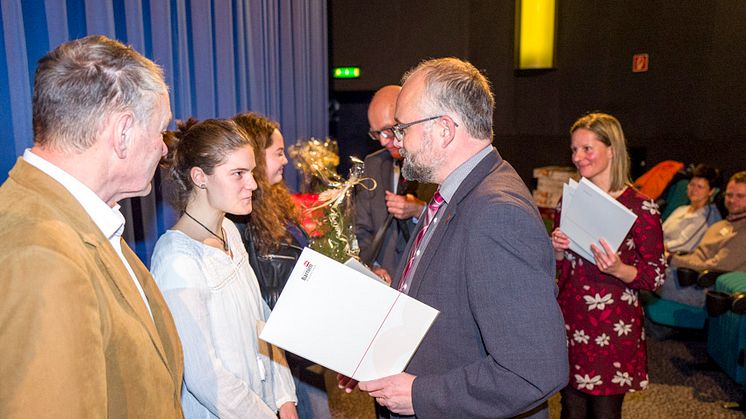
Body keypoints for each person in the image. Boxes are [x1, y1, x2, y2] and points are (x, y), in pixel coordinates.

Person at [346, 58, 568, 418]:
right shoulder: (458, 192)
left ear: (445, 129)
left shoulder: (497, 212)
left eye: (403, 129)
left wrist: (420, 394)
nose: (398, 142)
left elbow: (533, 371)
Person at [0, 35, 183, 417]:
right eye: (160, 130)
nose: (164, 147)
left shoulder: (80, 218)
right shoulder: (41, 251)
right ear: (123, 132)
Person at [151, 118, 298, 418]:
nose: (254, 184)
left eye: (252, 172)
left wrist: (284, 397)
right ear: (200, 177)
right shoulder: (177, 261)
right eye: (238, 174)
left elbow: (261, 319)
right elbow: (206, 377)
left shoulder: (230, 230)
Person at [551, 113, 666, 419]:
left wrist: (618, 268)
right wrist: (558, 252)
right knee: (571, 408)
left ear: (612, 149)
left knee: (605, 413)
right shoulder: (570, 201)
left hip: (612, 325)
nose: (578, 157)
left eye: (587, 149)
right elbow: (564, 271)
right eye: (574, 150)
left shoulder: (641, 206)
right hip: (571, 318)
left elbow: (655, 276)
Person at [233, 111, 332, 419]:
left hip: (299, 348)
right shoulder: (239, 217)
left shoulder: (275, 204)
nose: (286, 161)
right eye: (278, 153)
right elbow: (257, 296)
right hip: (280, 353)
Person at [355, 85, 436, 284]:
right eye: (376, 134)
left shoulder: (436, 163)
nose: (384, 141)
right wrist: (372, 267)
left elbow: (454, 227)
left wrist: (420, 210)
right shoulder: (373, 164)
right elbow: (360, 229)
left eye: (388, 131)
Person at [658, 171, 746, 307]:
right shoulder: (720, 226)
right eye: (729, 195)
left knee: (640, 278)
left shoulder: (742, 232)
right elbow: (697, 256)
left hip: (708, 291)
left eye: (740, 196)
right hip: (686, 277)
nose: (732, 200)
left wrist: (671, 259)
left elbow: (715, 266)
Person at [662, 164, 721, 254]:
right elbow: (660, 232)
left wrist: (655, 247)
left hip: (675, 262)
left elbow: (683, 245)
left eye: (700, 187)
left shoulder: (707, 217)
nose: (694, 190)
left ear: (711, 191)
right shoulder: (681, 209)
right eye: (692, 184)